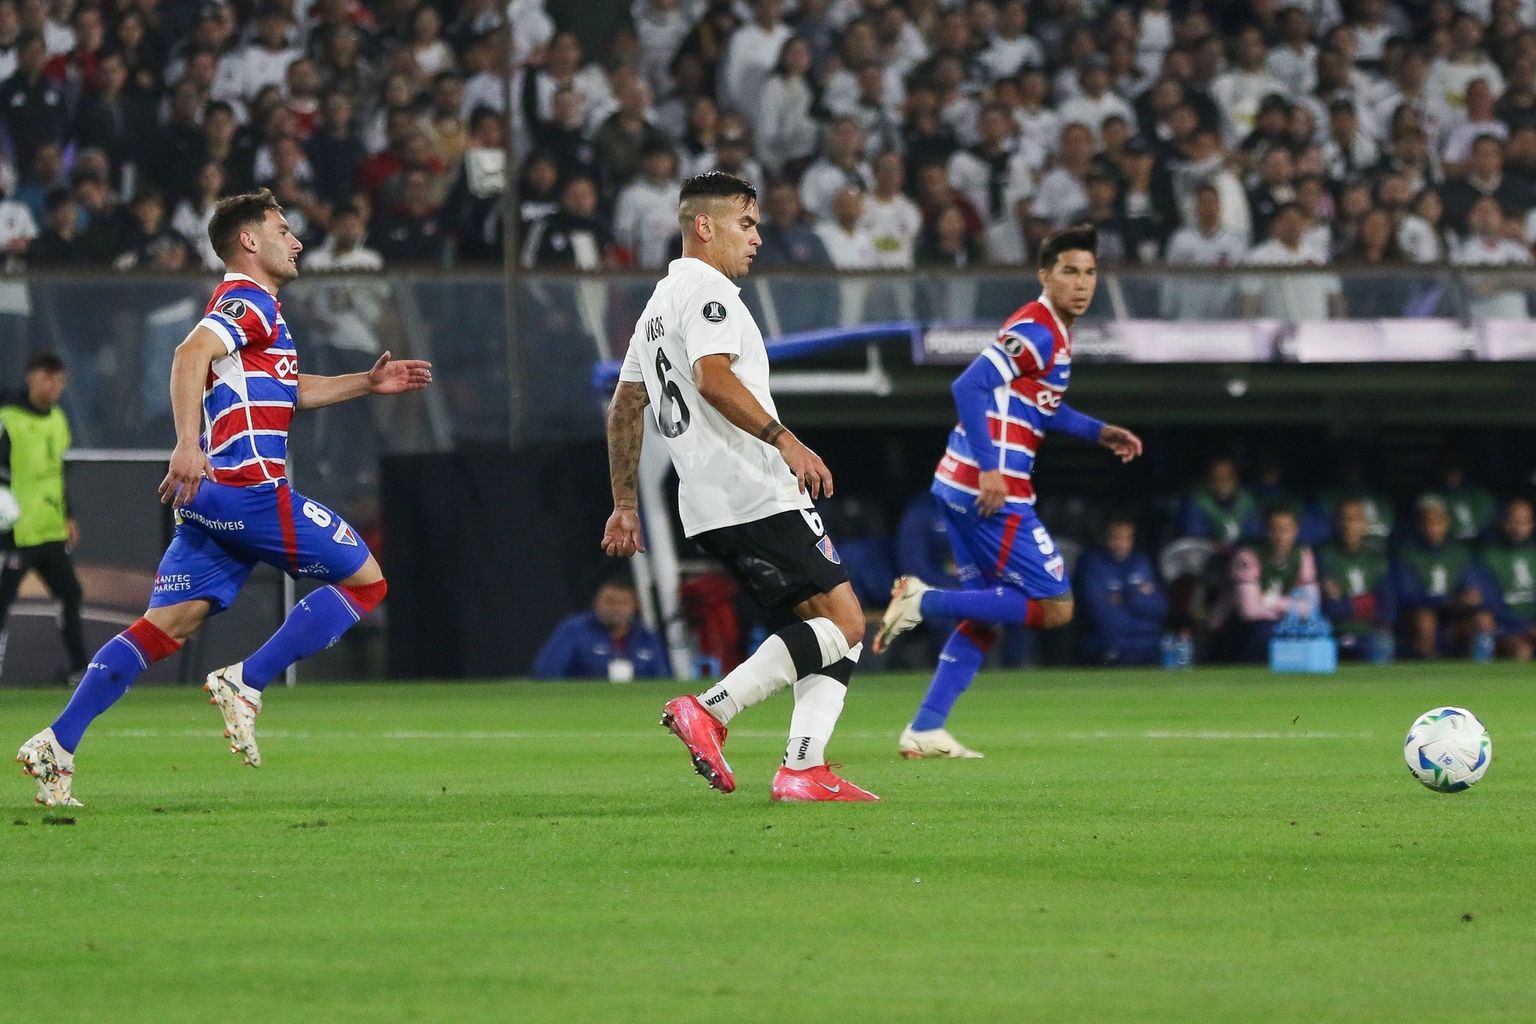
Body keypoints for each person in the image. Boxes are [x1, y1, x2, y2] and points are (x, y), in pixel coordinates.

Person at [15, 189, 433, 808]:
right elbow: (189, 354)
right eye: (283, 230)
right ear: (249, 241)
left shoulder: (258, 312)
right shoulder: (247, 300)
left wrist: (365, 384)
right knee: (366, 582)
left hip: (212, 500)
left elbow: (291, 389)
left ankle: (57, 742)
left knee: (165, 627)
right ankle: (247, 680)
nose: (297, 242)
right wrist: (187, 444)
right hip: (248, 491)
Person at [602, 171, 875, 802]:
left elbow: (624, 406)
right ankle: (712, 710)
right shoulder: (709, 292)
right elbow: (714, 378)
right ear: (705, 226)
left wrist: (624, 503)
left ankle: (804, 767)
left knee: (825, 626)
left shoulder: (656, 306)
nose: (756, 238)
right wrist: (785, 439)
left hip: (705, 501)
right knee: (848, 623)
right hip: (756, 485)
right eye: (745, 224)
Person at [871, 226, 1144, 758]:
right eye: (1069, 271)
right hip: (991, 492)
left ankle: (925, 728)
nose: (1082, 283)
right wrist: (992, 469)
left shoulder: (1054, 332)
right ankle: (923, 599)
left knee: (989, 613)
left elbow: (1040, 405)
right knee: (1056, 607)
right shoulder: (1038, 329)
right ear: (1045, 276)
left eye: (1089, 273)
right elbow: (967, 385)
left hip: (959, 485)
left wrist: (1097, 431)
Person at [0, 352, 85, 680]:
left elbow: (56, 473)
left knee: (70, 593)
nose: (54, 386)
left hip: (49, 528)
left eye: (59, 380)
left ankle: (79, 669)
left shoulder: (58, 419)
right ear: (31, 378)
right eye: (48, 378)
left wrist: (68, 514)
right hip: (15, 530)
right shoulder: (8, 418)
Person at [1392, 494, 1494, 661]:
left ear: (1446, 522)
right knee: (1425, 621)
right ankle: (1430, 665)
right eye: (1426, 523)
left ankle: (1478, 668)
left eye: (1437, 522)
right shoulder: (1407, 554)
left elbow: (1473, 585)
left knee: (1484, 620)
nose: (1432, 528)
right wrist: (1447, 600)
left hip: (1456, 614)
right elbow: (1407, 595)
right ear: (1418, 524)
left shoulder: (1460, 552)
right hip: (1420, 614)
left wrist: (1470, 597)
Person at [1225, 505, 1318, 662]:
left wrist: (1269, 601)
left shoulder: (1303, 556)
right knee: (1265, 633)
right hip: (1238, 627)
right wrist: (1292, 606)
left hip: (1282, 622)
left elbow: (1311, 607)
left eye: (1286, 530)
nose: (1281, 536)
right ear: (1265, 530)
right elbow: (1249, 611)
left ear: (1296, 531)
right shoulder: (1247, 556)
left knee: (1309, 632)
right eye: (1275, 529)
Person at [532, 578, 671, 680]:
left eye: (623, 603)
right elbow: (546, 672)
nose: (615, 608)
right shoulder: (574, 629)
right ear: (596, 602)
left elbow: (663, 678)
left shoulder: (646, 636)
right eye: (609, 601)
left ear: (635, 606)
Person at [1074, 516, 1168, 666]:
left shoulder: (1141, 562)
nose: (1122, 544)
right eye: (1116, 538)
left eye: (1127, 538)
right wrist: (1138, 595)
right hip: (1110, 644)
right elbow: (1098, 610)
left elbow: (1160, 607)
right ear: (1104, 538)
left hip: (1149, 643)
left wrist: (1126, 597)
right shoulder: (1091, 563)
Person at [1317, 498, 1395, 659]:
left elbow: (1387, 608)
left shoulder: (1377, 560)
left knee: (1384, 641)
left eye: (1355, 519)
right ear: (1336, 522)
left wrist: (1345, 602)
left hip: (1369, 632)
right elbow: (1329, 607)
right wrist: (1368, 602)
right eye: (1344, 518)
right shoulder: (1323, 556)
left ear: (1365, 525)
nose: (1349, 525)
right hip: (1331, 631)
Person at [1477, 498, 1536, 661]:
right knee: (1521, 651)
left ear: (1532, 524)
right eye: (1513, 521)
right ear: (1502, 522)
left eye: (1523, 522)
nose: (1518, 528)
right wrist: (1522, 627)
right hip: (1506, 626)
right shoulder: (1488, 555)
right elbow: (1488, 600)